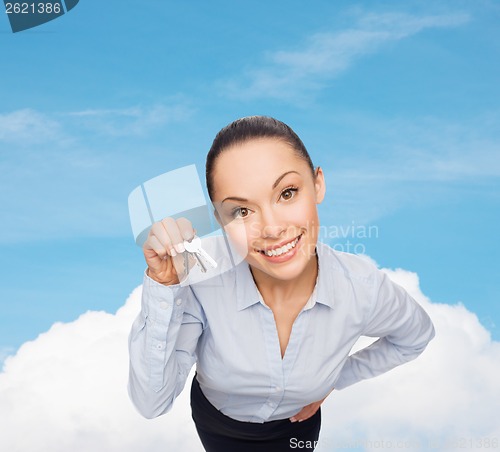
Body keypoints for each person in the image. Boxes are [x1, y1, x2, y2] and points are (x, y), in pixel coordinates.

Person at [128, 116, 435, 451]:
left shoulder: (363, 289)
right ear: (220, 221)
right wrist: (165, 285)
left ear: (317, 184)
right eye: (241, 212)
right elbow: (151, 402)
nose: (272, 228)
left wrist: (335, 379)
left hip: (296, 429)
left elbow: (414, 337)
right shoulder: (200, 274)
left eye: (287, 193)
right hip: (217, 423)